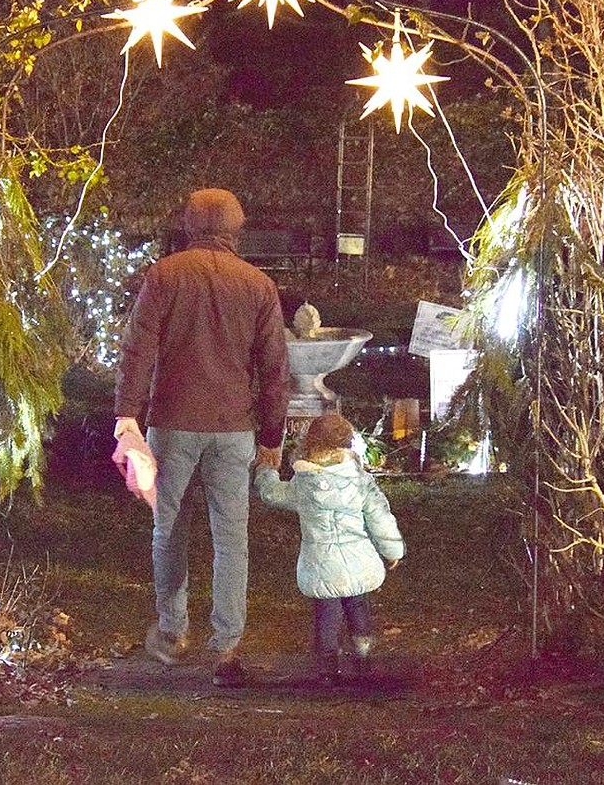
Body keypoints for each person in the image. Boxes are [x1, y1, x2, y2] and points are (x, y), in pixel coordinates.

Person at [114, 187, 290, 687]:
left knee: (167, 528)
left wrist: (128, 415)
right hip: (233, 430)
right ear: (236, 229)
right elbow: (275, 369)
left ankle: (172, 633)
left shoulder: (164, 276)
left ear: (189, 225)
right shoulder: (258, 285)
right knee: (231, 537)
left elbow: (137, 350)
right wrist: (271, 436)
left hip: (171, 425)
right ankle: (227, 643)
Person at [253, 412, 404, 684]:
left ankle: (327, 668)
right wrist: (392, 550)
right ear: (348, 444)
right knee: (358, 607)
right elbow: (379, 516)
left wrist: (265, 471)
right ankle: (363, 658)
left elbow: (273, 494)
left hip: (322, 564)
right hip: (358, 561)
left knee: (326, 614)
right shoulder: (360, 482)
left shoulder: (305, 483)